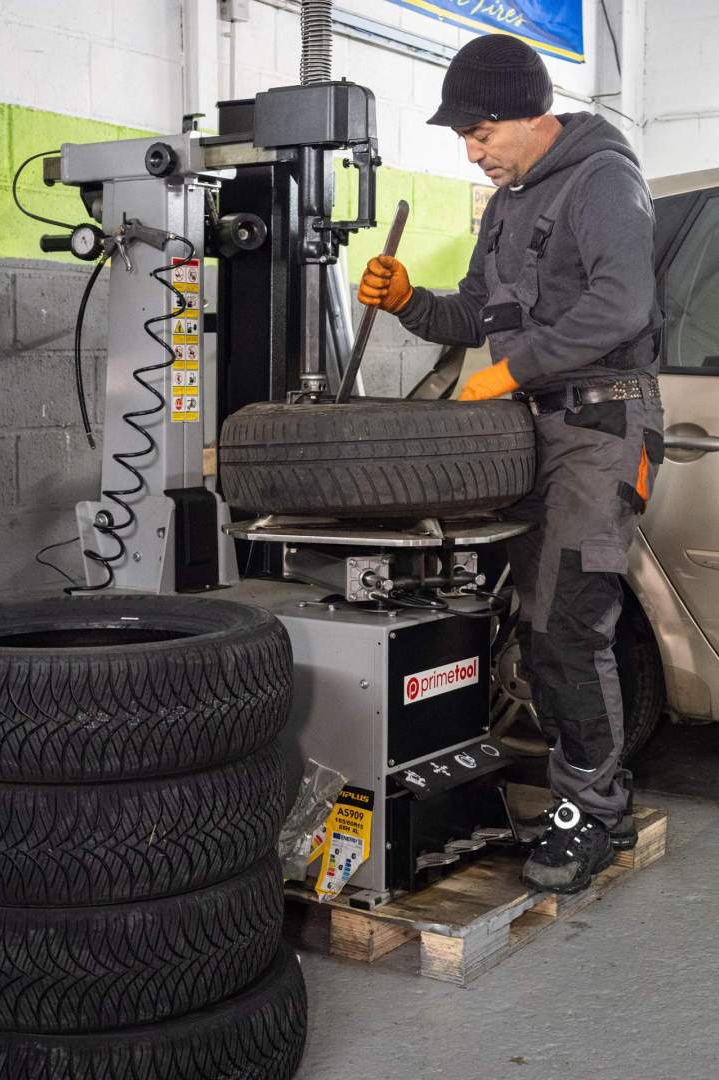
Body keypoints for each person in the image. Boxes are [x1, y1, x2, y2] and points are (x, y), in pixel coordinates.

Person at [357, 33, 664, 894]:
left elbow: (621, 304)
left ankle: (597, 811)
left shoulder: (604, 179)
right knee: (533, 622)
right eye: (465, 136)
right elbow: (475, 313)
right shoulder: (505, 204)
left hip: (601, 425)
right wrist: (410, 301)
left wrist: (512, 369)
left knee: (570, 622)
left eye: (481, 132)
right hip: (532, 429)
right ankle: (580, 791)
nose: (472, 151)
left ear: (530, 114)